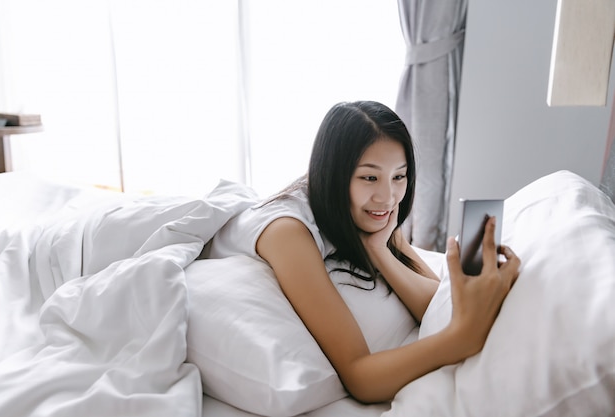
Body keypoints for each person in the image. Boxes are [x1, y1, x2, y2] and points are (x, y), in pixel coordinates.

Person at [208, 100, 520, 403]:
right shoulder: (288, 233)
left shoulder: (370, 213)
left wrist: (380, 251)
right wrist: (460, 338)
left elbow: (435, 306)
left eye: (399, 176)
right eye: (369, 177)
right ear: (335, 175)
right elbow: (360, 377)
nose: (388, 197)